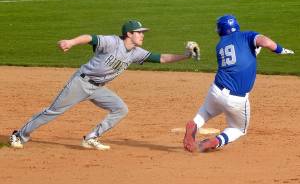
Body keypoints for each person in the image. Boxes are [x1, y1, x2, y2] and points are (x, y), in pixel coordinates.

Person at [10, 20, 199, 150]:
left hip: (98, 88)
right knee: (54, 111)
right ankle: (19, 135)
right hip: (81, 83)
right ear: (129, 34)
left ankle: (91, 137)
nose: (142, 35)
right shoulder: (112, 42)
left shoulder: (136, 52)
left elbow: (162, 58)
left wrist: (186, 56)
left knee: (120, 109)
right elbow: (89, 38)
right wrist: (71, 42)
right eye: (139, 33)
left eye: (143, 33)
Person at [183, 14, 295, 153]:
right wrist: (279, 50)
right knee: (238, 129)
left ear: (221, 30)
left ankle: (194, 124)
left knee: (206, 111)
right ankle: (215, 142)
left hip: (216, 89)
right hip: (236, 99)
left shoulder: (220, 46)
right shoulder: (247, 35)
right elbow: (265, 42)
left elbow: (239, 58)